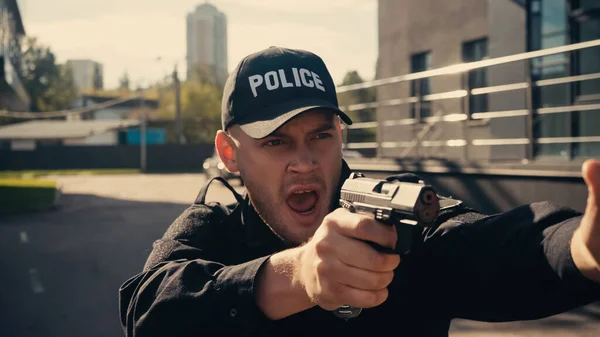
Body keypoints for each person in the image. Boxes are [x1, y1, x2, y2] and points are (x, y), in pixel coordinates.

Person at [119, 46, 600, 337]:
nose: (304, 162)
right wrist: (297, 276)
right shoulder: (213, 228)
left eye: (320, 136)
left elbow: (492, 247)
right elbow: (150, 313)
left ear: (341, 137)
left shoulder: (394, 219)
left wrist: (582, 246)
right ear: (230, 153)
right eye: (276, 142)